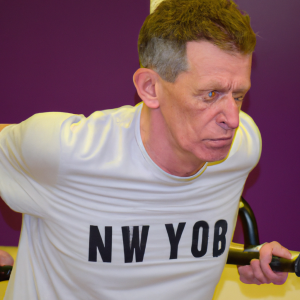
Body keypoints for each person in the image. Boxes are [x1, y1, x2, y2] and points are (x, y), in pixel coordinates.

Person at [0, 0, 292, 299]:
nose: (232, 119)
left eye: (239, 95)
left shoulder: (242, 147)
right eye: (211, 94)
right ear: (150, 88)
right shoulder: (65, 150)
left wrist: (255, 256)